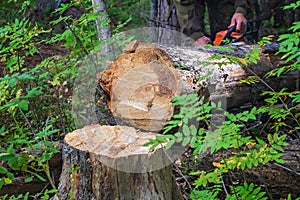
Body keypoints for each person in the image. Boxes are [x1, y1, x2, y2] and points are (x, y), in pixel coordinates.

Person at [172, 0, 251, 45]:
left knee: (231, 33)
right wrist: (194, 34)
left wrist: (241, 10)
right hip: (189, 5)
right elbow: (185, 2)